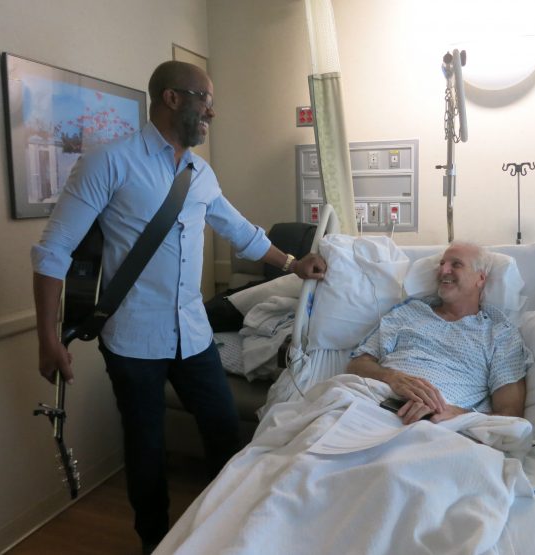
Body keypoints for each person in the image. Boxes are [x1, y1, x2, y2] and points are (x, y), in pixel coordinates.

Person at [31, 60, 326, 552]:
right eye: (205, 100)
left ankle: (223, 533)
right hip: (131, 338)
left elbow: (241, 231)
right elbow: (53, 251)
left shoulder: (200, 173)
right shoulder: (110, 162)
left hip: (193, 334)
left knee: (222, 432)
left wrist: (293, 262)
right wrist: (46, 338)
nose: (213, 110)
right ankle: (155, 542)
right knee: (146, 449)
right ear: (172, 98)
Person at [347, 241, 530, 425]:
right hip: (374, 403)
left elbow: (510, 415)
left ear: (480, 278)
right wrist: (392, 378)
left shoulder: (500, 333)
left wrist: (457, 414)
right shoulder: (407, 312)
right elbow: (357, 365)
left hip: (438, 423)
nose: (443, 271)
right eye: (442, 264)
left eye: (456, 264)